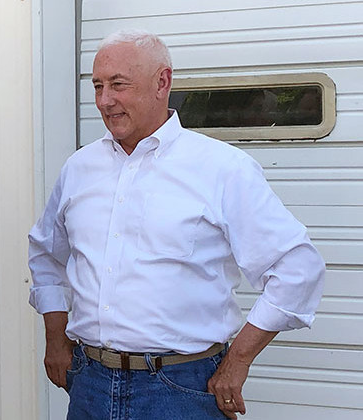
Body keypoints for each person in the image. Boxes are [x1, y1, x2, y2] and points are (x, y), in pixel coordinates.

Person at [28, 29, 325, 420]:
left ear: (162, 82)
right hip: (89, 384)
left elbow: (297, 269)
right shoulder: (79, 169)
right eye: (98, 86)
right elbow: (47, 256)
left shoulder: (221, 169)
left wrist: (237, 361)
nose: (104, 101)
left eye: (118, 85)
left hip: (182, 390)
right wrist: (55, 340)